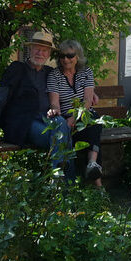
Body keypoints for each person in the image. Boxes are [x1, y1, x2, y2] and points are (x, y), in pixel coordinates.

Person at [0, 30, 74, 177]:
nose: (40, 53)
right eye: (37, 49)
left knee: (61, 125)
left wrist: (92, 94)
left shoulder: (49, 73)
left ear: (49, 54)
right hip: (24, 124)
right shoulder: (16, 69)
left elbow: (68, 91)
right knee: (62, 138)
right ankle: (64, 186)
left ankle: (59, 183)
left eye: (44, 50)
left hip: (47, 120)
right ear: (30, 49)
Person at [47, 39, 103, 185]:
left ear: (78, 57)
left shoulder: (86, 72)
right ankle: (96, 179)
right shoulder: (54, 75)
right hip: (66, 121)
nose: (66, 59)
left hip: (83, 116)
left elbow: (87, 100)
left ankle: (92, 165)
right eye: (62, 56)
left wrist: (74, 118)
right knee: (93, 133)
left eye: (70, 55)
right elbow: (54, 103)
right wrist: (63, 119)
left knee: (94, 123)